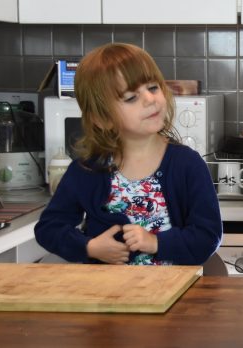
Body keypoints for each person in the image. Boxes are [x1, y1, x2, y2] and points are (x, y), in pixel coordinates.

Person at [35, 43, 222, 265]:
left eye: (153, 88)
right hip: (109, 295)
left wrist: (156, 243)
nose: (150, 99)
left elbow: (207, 237)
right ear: (102, 119)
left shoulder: (187, 164)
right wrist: (89, 247)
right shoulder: (86, 171)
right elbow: (48, 228)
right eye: (131, 98)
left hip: (175, 296)